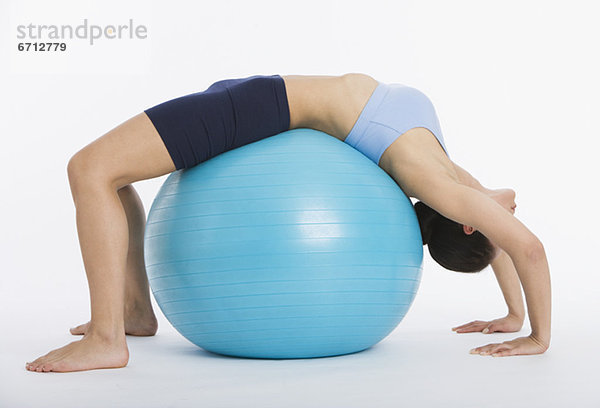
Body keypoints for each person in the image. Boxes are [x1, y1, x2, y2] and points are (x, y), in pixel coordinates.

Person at [25, 73, 551, 373]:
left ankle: (106, 338)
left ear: (463, 223)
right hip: (264, 97)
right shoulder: (454, 181)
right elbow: (504, 235)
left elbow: (523, 246)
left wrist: (537, 335)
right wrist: (515, 315)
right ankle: (135, 314)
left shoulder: (444, 182)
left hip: (263, 106)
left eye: (489, 218)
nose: (500, 210)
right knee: (107, 177)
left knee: (91, 169)